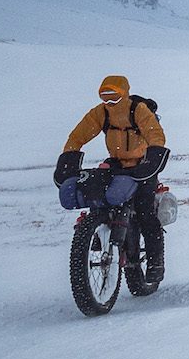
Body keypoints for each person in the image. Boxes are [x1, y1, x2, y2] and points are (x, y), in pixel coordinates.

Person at [54, 75, 170, 281]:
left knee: (145, 212)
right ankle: (97, 233)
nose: (109, 102)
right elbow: (78, 135)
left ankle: (155, 262)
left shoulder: (138, 110)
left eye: (114, 97)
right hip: (116, 162)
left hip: (142, 164)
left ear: (124, 94)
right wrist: (69, 155)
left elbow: (155, 134)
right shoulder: (101, 113)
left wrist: (154, 156)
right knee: (98, 197)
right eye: (105, 97)